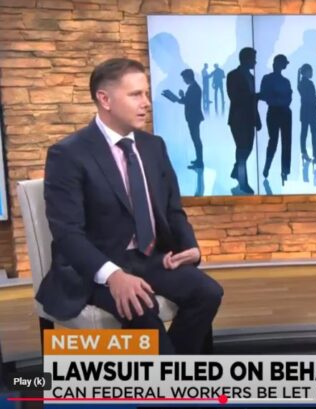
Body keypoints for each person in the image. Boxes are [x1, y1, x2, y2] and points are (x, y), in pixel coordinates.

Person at [37, 58, 224, 354]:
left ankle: (167, 373)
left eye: (146, 93)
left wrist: (190, 247)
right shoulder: (68, 154)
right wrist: (113, 275)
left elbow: (173, 210)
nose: (146, 103)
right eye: (136, 94)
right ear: (105, 99)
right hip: (94, 268)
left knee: (208, 293)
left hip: (150, 258)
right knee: (141, 307)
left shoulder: (153, 146)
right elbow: (67, 233)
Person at [226, 47, 261, 194]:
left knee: (247, 149)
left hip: (250, 119)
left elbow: (253, 102)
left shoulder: (251, 77)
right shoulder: (233, 75)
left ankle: (237, 171)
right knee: (242, 151)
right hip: (238, 119)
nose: (255, 62)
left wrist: (257, 119)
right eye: (253, 59)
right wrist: (255, 97)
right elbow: (234, 97)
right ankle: (243, 182)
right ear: (246, 59)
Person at [260, 54, 294, 183]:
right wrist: (279, 99)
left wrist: (276, 98)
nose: (285, 65)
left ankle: (283, 170)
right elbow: (265, 95)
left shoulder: (284, 81)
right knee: (275, 142)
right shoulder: (271, 79)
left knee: (283, 142)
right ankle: (269, 167)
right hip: (276, 111)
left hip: (281, 112)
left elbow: (288, 98)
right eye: (284, 63)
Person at [162, 68, 204, 169]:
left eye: (184, 78)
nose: (184, 80)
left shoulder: (194, 88)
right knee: (196, 139)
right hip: (193, 117)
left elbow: (188, 102)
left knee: (196, 139)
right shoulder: (193, 87)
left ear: (188, 77)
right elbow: (188, 101)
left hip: (194, 117)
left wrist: (181, 97)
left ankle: (199, 162)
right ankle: (199, 160)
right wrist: (181, 97)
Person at [297, 63, 316, 168]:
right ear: (305, 72)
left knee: (304, 133)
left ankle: (304, 153)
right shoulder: (308, 83)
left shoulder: (301, 83)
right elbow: (310, 98)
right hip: (311, 112)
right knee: (313, 136)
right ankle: (315, 157)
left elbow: (307, 98)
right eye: (310, 71)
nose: (312, 73)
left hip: (306, 112)